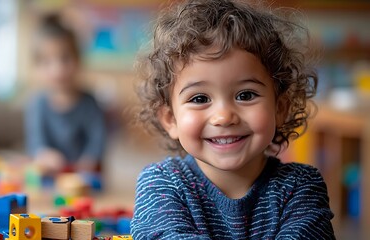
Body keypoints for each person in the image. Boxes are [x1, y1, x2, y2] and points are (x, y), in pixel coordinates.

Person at [131, 0, 335, 239]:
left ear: (280, 108)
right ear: (170, 119)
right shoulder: (161, 185)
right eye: (199, 98)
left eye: (245, 95)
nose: (224, 116)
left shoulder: (301, 187)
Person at [25, 15, 106, 175]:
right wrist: (44, 155)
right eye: (47, 62)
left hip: (85, 178)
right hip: (50, 177)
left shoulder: (90, 102)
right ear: (36, 68)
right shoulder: (37, 104)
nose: (58, 70)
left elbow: (98, 140)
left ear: (78, 59)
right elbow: (35, 143)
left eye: (65, 58)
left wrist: (90, 159)